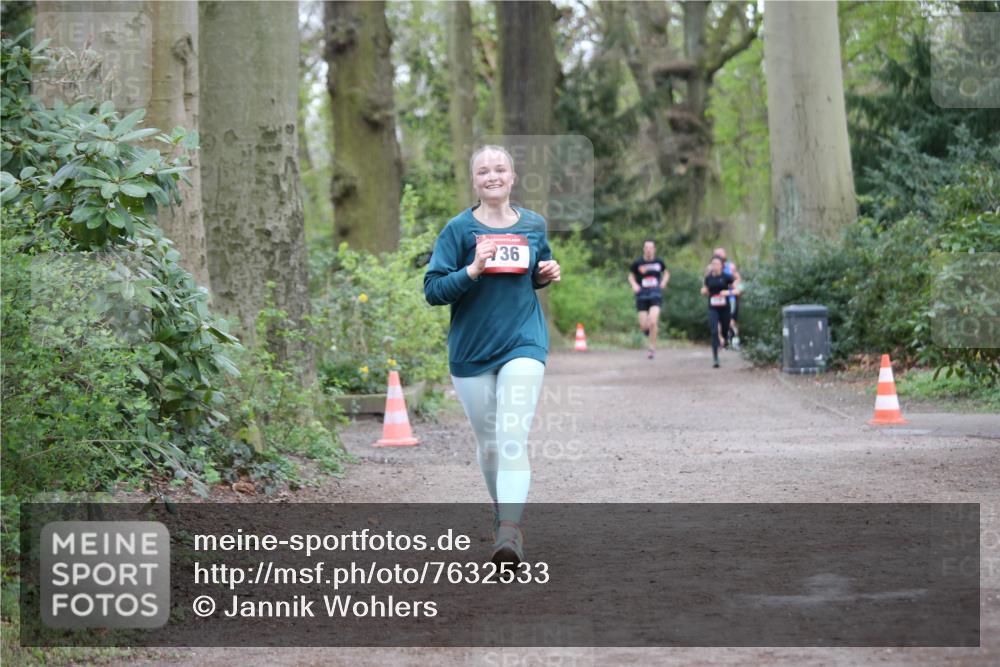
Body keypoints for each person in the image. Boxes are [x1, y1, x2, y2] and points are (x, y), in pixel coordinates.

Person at [424, 145, 561, 567]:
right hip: (471, 350)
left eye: (500, 169)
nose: (492, 176)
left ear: (513, 177)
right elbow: (433, 291)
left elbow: (536, 269)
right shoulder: (458, 230)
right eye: (483, 171)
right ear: (474, 181)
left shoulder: (534, 225)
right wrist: (471, 270)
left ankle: (509, 534)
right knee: (488, 448)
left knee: (511, 437)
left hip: (524, 342)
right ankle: (504, 513)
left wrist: (546, 273)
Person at [628, 240, 669, 359]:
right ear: (643, 249)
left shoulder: (659, 262)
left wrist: (664, 282)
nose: (649, 250)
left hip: (655, 293)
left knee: (653, 321)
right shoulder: (638, 263)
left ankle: (652, 348)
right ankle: (647, 330)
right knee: (644, 325)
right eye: (646, 247)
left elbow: (666, 273)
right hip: (642, 294)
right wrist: (634, 285)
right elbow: (631, 276)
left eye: (651, 248)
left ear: (654, 249)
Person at [701, 255, 736, 368]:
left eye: (717, 264)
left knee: (724, 330)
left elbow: (738, 289)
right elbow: (705, 288)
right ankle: (715, 358)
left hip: (725, 308)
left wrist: (728, 292)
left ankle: (726, 337)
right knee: (714, 331)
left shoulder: (727, 277)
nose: (714, 266)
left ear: (722, 266)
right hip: (713, 308)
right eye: (713, 264)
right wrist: (703, 291)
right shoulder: (708, 278)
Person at [706, 247, 742, 349]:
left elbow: (738, 279)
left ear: (725, 256)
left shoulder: (731, 267)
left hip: (730, 298)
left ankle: (734, 340)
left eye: (721, 254)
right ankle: (721, 340)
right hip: (715, 299)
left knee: (731, 321)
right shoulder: (710, 268)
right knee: (716, 321)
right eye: (717, 254)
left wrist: (732, 288)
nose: (719, 256)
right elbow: (707, 281)